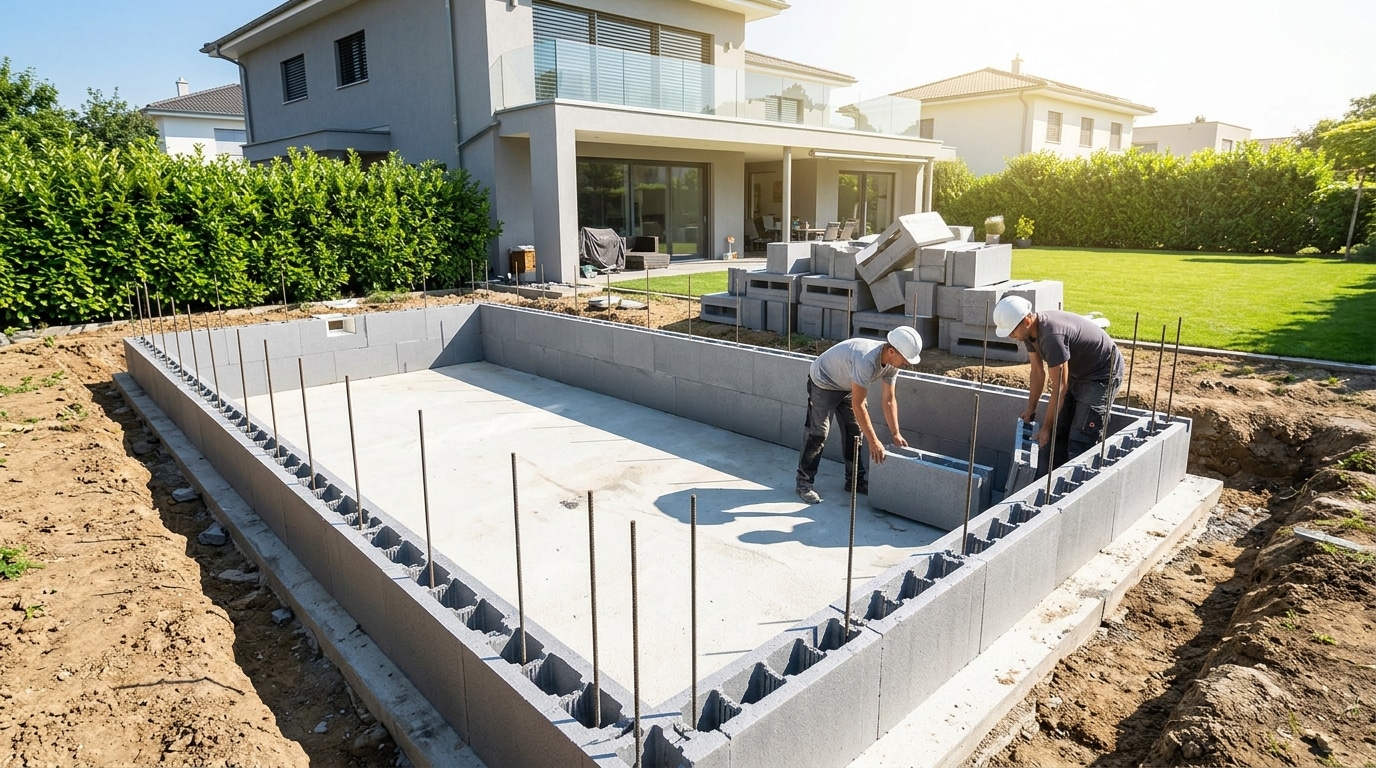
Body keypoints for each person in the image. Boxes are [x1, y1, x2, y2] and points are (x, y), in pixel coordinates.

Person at [992, 296, 1124, 475]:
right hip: (1079, 370)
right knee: (1059, 432)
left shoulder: (1052, 336)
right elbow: (1038, 373)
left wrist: (1045, 428)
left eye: (1012, 331)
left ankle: (1077, 488)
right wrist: (1031, 408)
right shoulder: (1028, 333)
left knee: (1081, 439)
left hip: (1101, 373)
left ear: (1027, 320)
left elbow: (1060, 388)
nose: (1010, 336)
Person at [795, 326, 923, 504]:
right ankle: (804, 483)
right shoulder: (867, 359)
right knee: (818, 433)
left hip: (847, 386)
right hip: (824, 382)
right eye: (906, 360)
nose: (907, 364)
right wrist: (874, 441)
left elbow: (888, 399)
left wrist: (895, 433)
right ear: (892, 351)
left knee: (855, 432)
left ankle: (855, 481)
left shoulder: (893, 364)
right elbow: (859, 404)